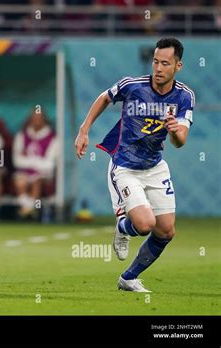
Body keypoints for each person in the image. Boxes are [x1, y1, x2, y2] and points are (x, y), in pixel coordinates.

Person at [75, 38, 195, 292]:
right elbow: (104, 98)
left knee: (166, 231)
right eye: (155, 62)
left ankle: (128, 278)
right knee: (144, 225)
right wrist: (84, 130)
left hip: (154, 167)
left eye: (165, 63)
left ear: (178, 66)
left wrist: (174, 131)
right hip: (125, 166)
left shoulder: (184, 96)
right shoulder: (133, 86)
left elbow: (180, 141)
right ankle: (123, 227)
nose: (158, 68)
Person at [12, 109, 57, 219]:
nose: (36, 121)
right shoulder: (21, 136)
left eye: (39, 118)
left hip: (44, 175)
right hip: (24, 173)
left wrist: (29, 159)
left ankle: (28, 210)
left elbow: (49, 164)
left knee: (37, 180)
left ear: (44, 120)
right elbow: (17, 160)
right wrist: (38, 161)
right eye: (34, 118)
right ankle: (28, 210)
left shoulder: (53, 138)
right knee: (20, 181)